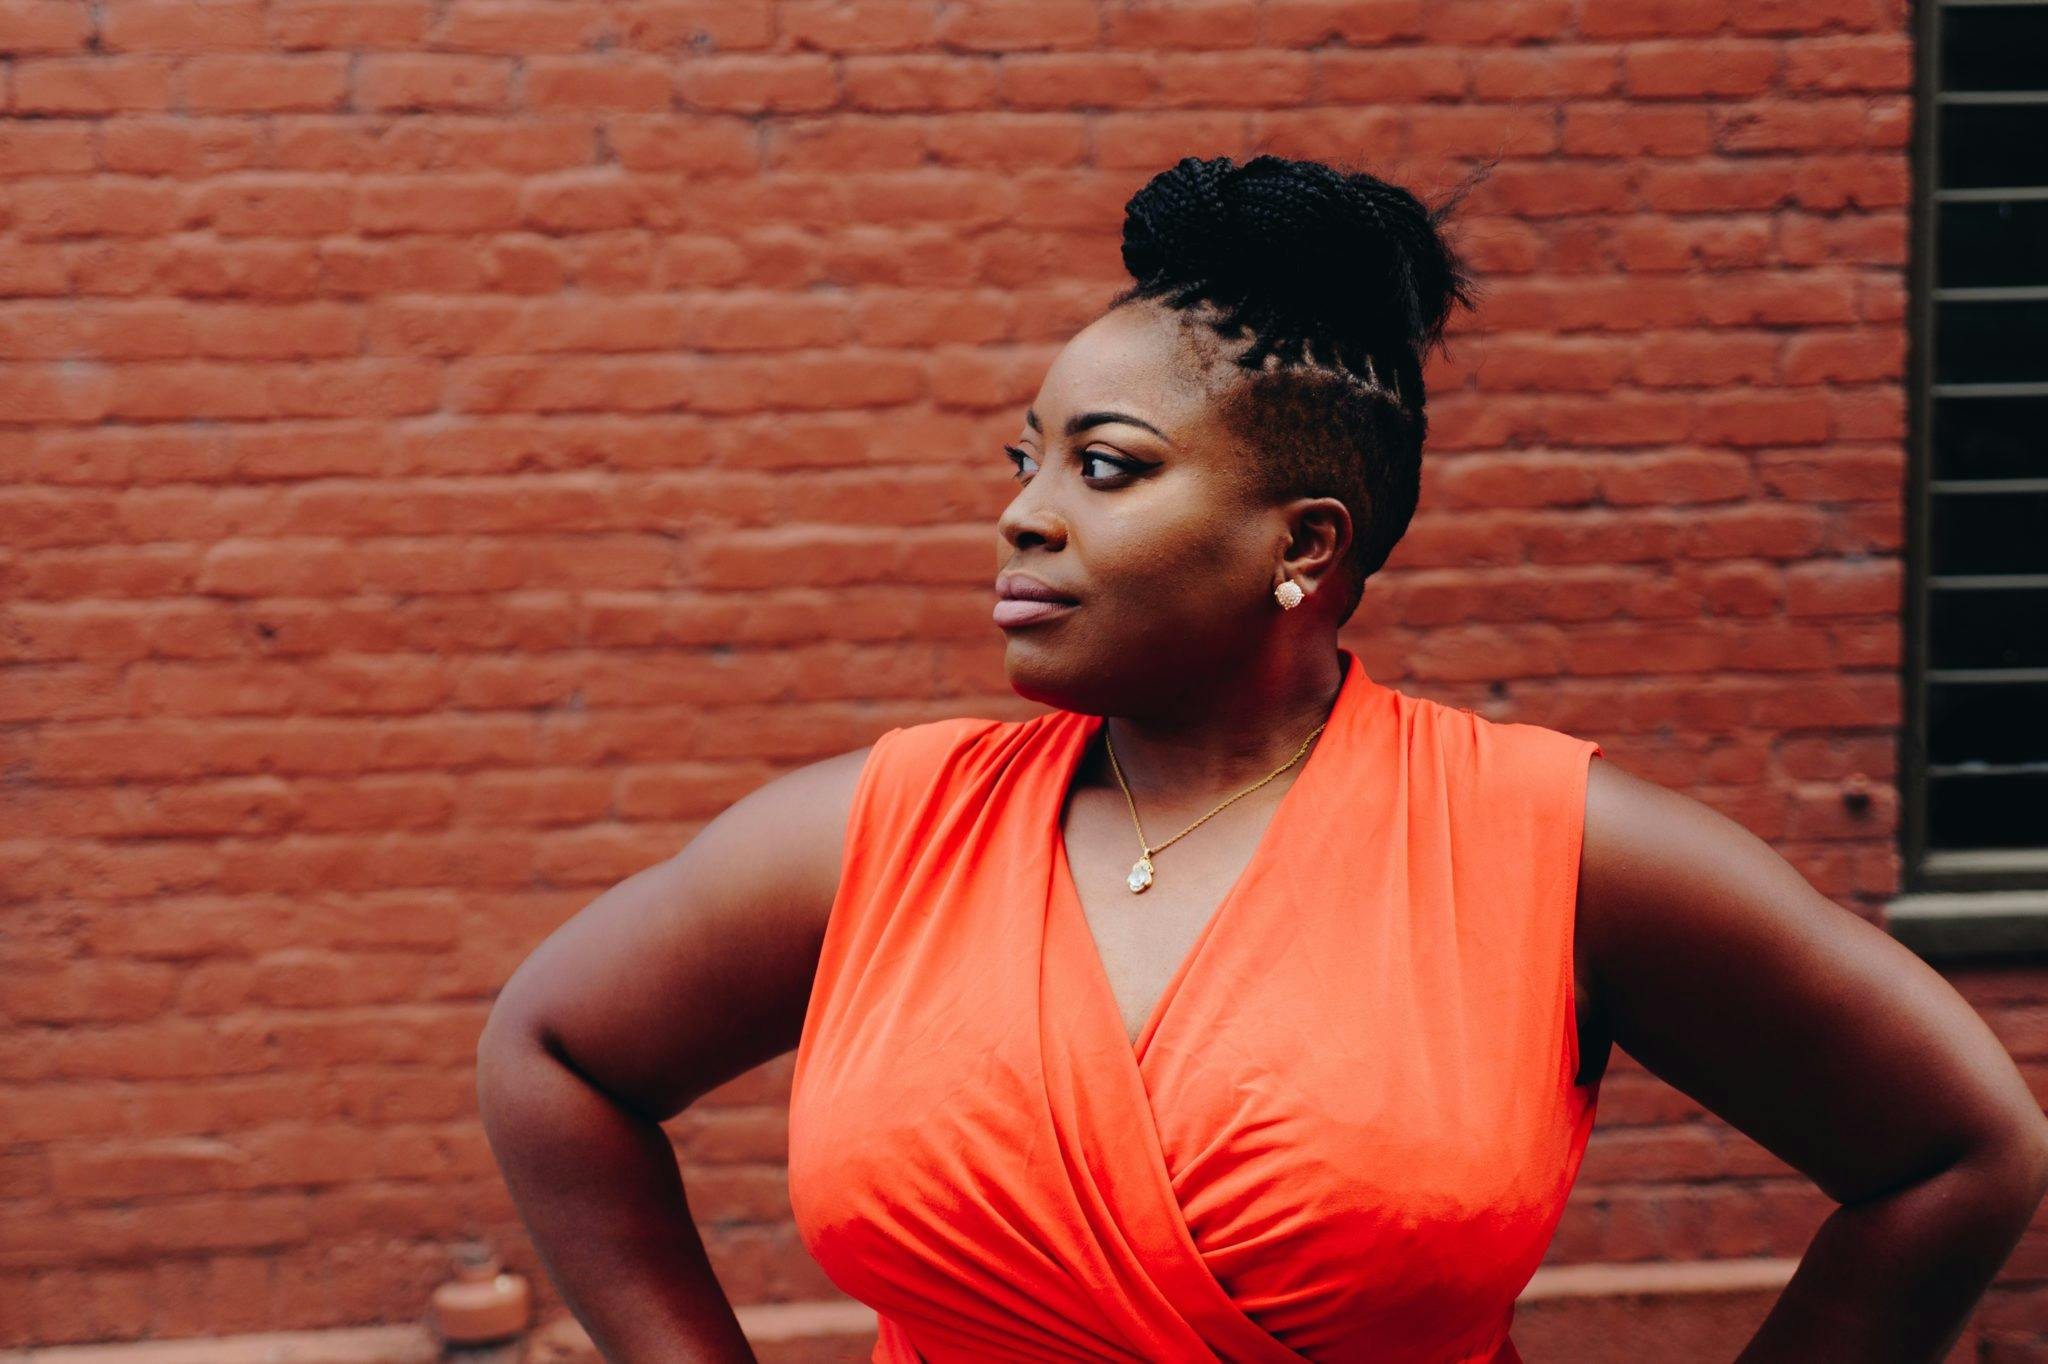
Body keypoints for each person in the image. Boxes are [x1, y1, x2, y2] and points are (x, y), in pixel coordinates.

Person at [476, 154, 2048, 1363]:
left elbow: (1957, 1153)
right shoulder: (877, 833)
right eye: (1024, 459)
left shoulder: (1549, 849)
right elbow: (553, 1053)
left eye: (1106, 467)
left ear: (1304, 544)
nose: (1025, 511)